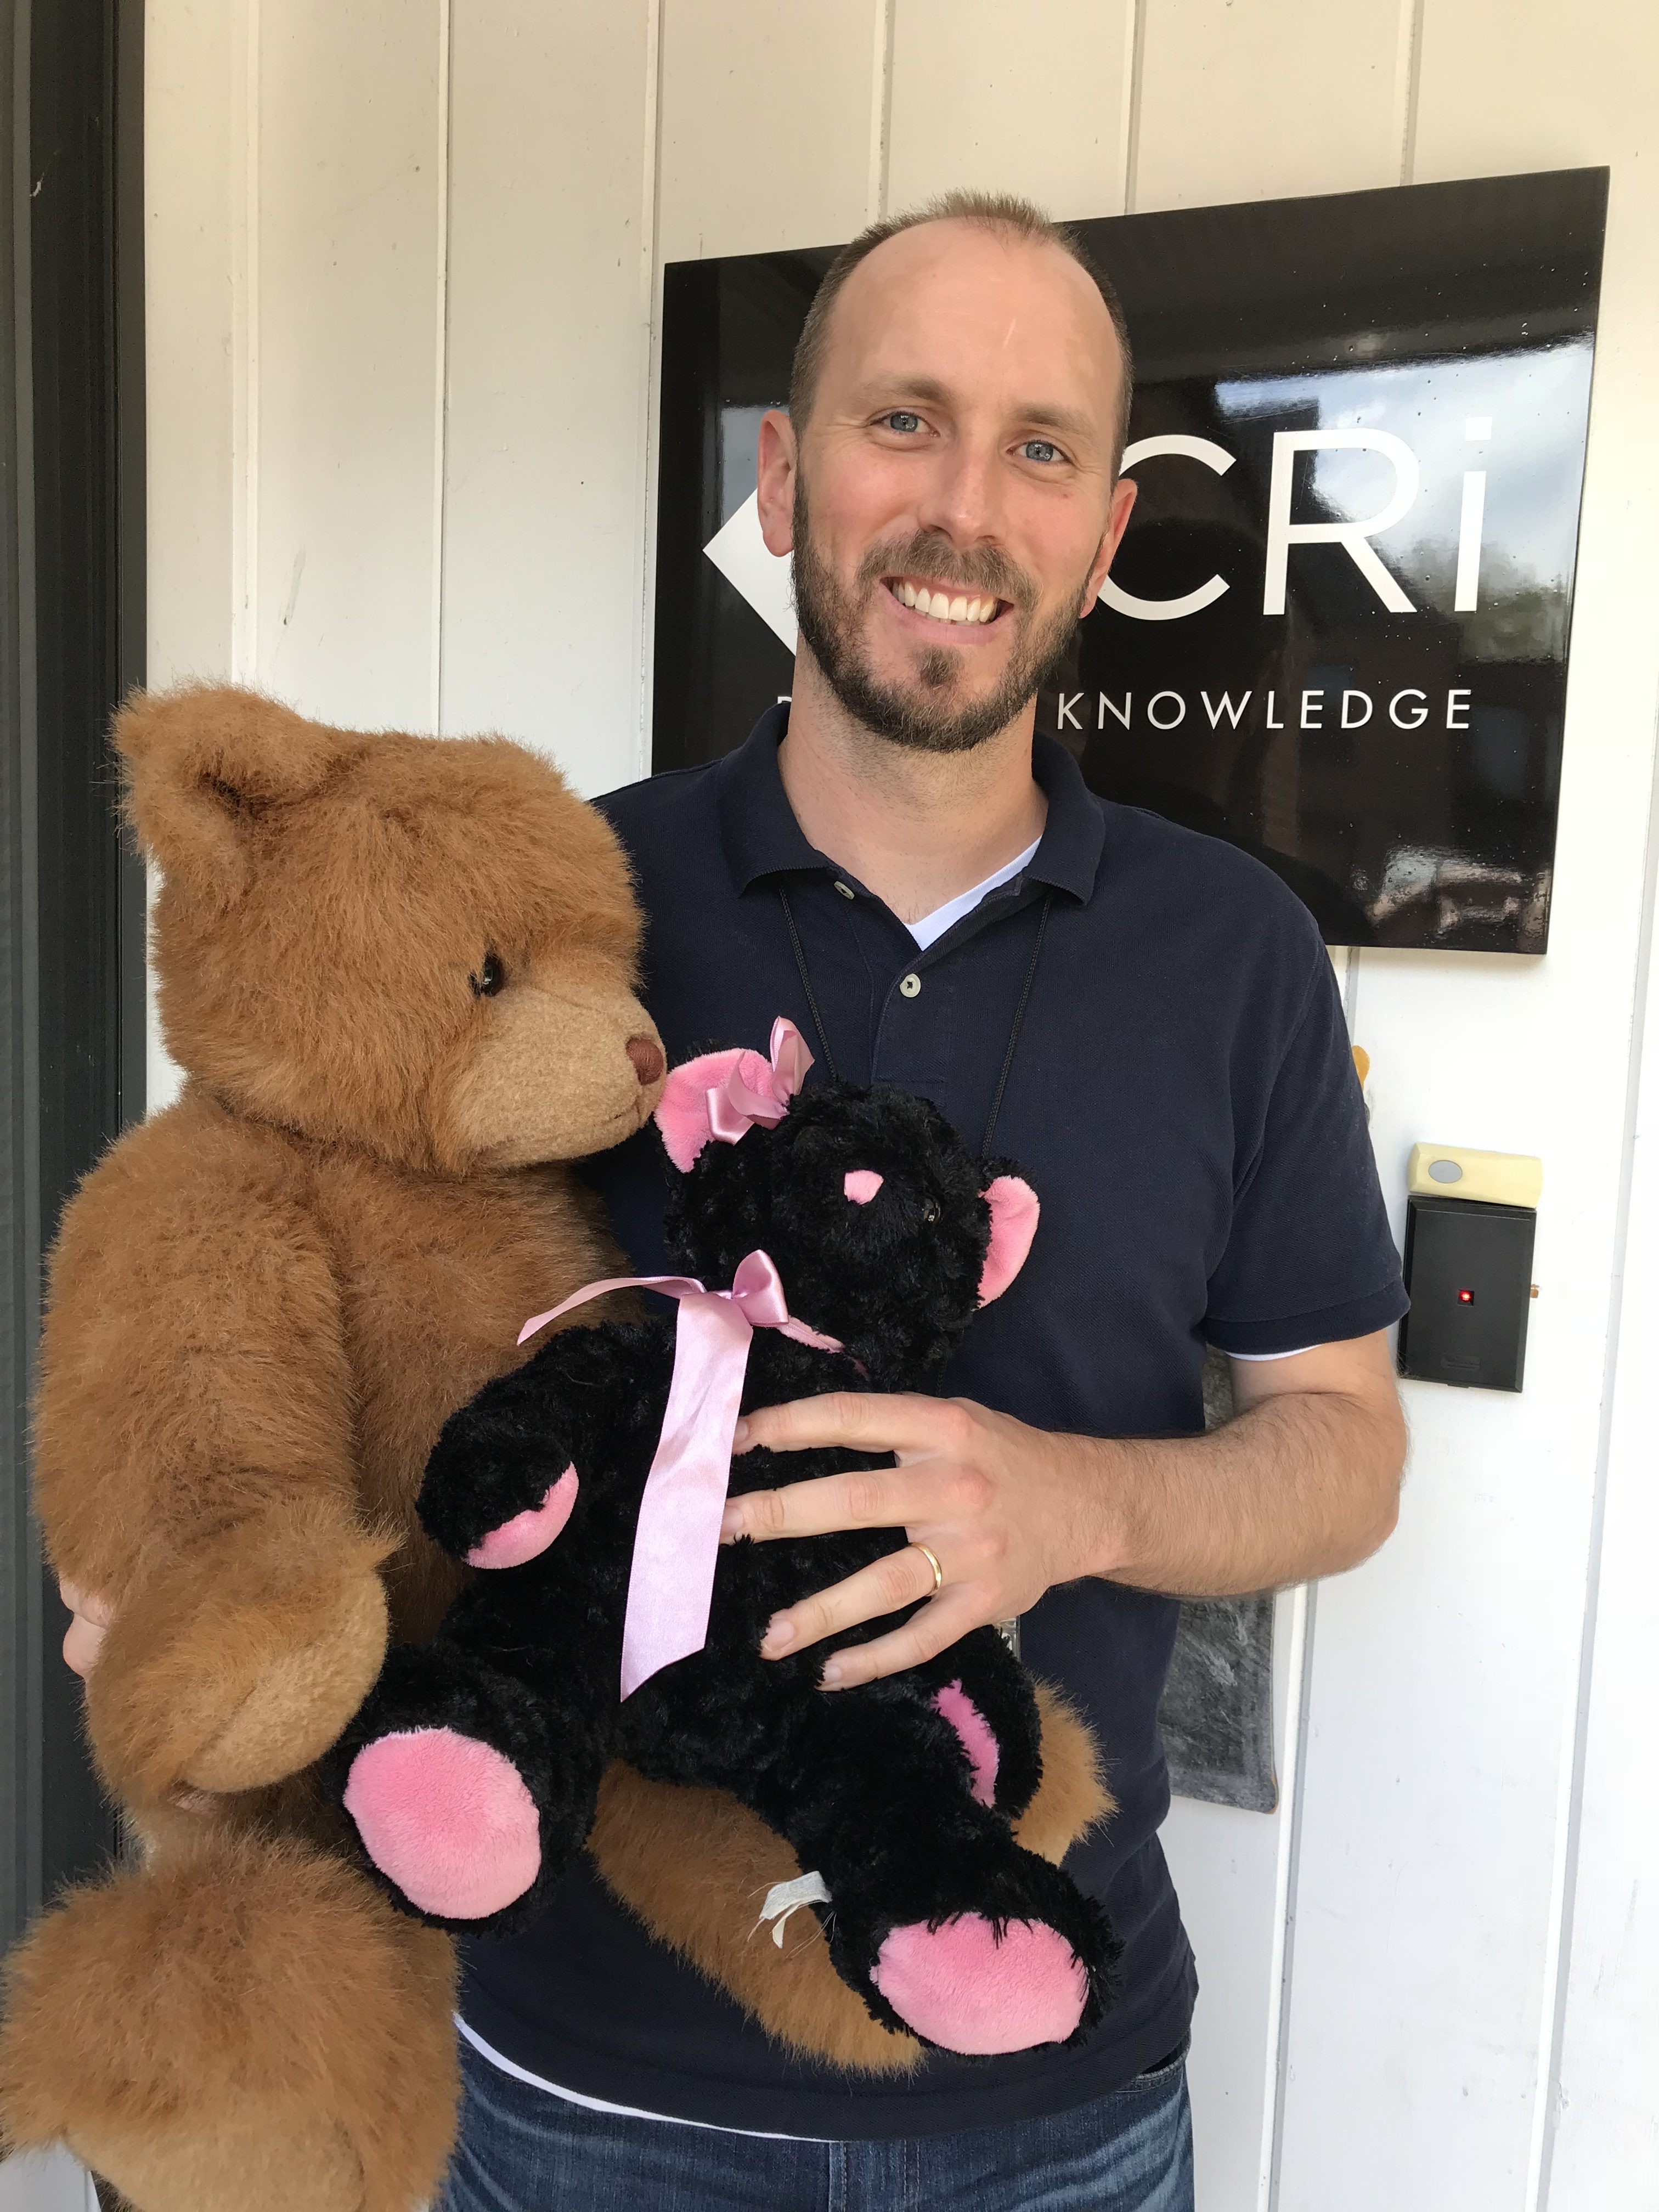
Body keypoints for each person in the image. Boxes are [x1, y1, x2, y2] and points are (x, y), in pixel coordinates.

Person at [65, 190, 1408, 2211]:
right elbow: (279, 1290)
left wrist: (1080, 1500)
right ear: (783, 481)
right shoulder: (543, 924)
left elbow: (1347, 1449)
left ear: (1106, 538)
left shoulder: (1237, 953)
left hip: (1053, 2099)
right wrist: (187, 1555)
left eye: (1041, 448)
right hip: (584, 2084)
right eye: (904, 421)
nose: (966, 505)